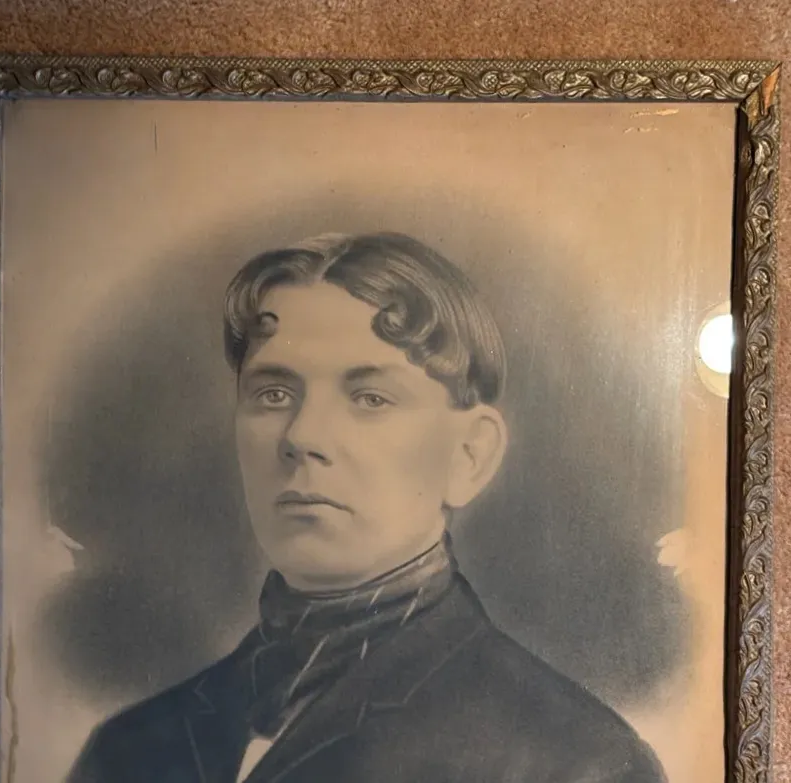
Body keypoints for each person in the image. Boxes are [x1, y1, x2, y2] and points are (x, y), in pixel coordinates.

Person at [67, 232, 666, 783]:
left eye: (370, 397)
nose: (303, 436)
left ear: (469, 455)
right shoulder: (127, 749)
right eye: (273, 393)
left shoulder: (577, 762)